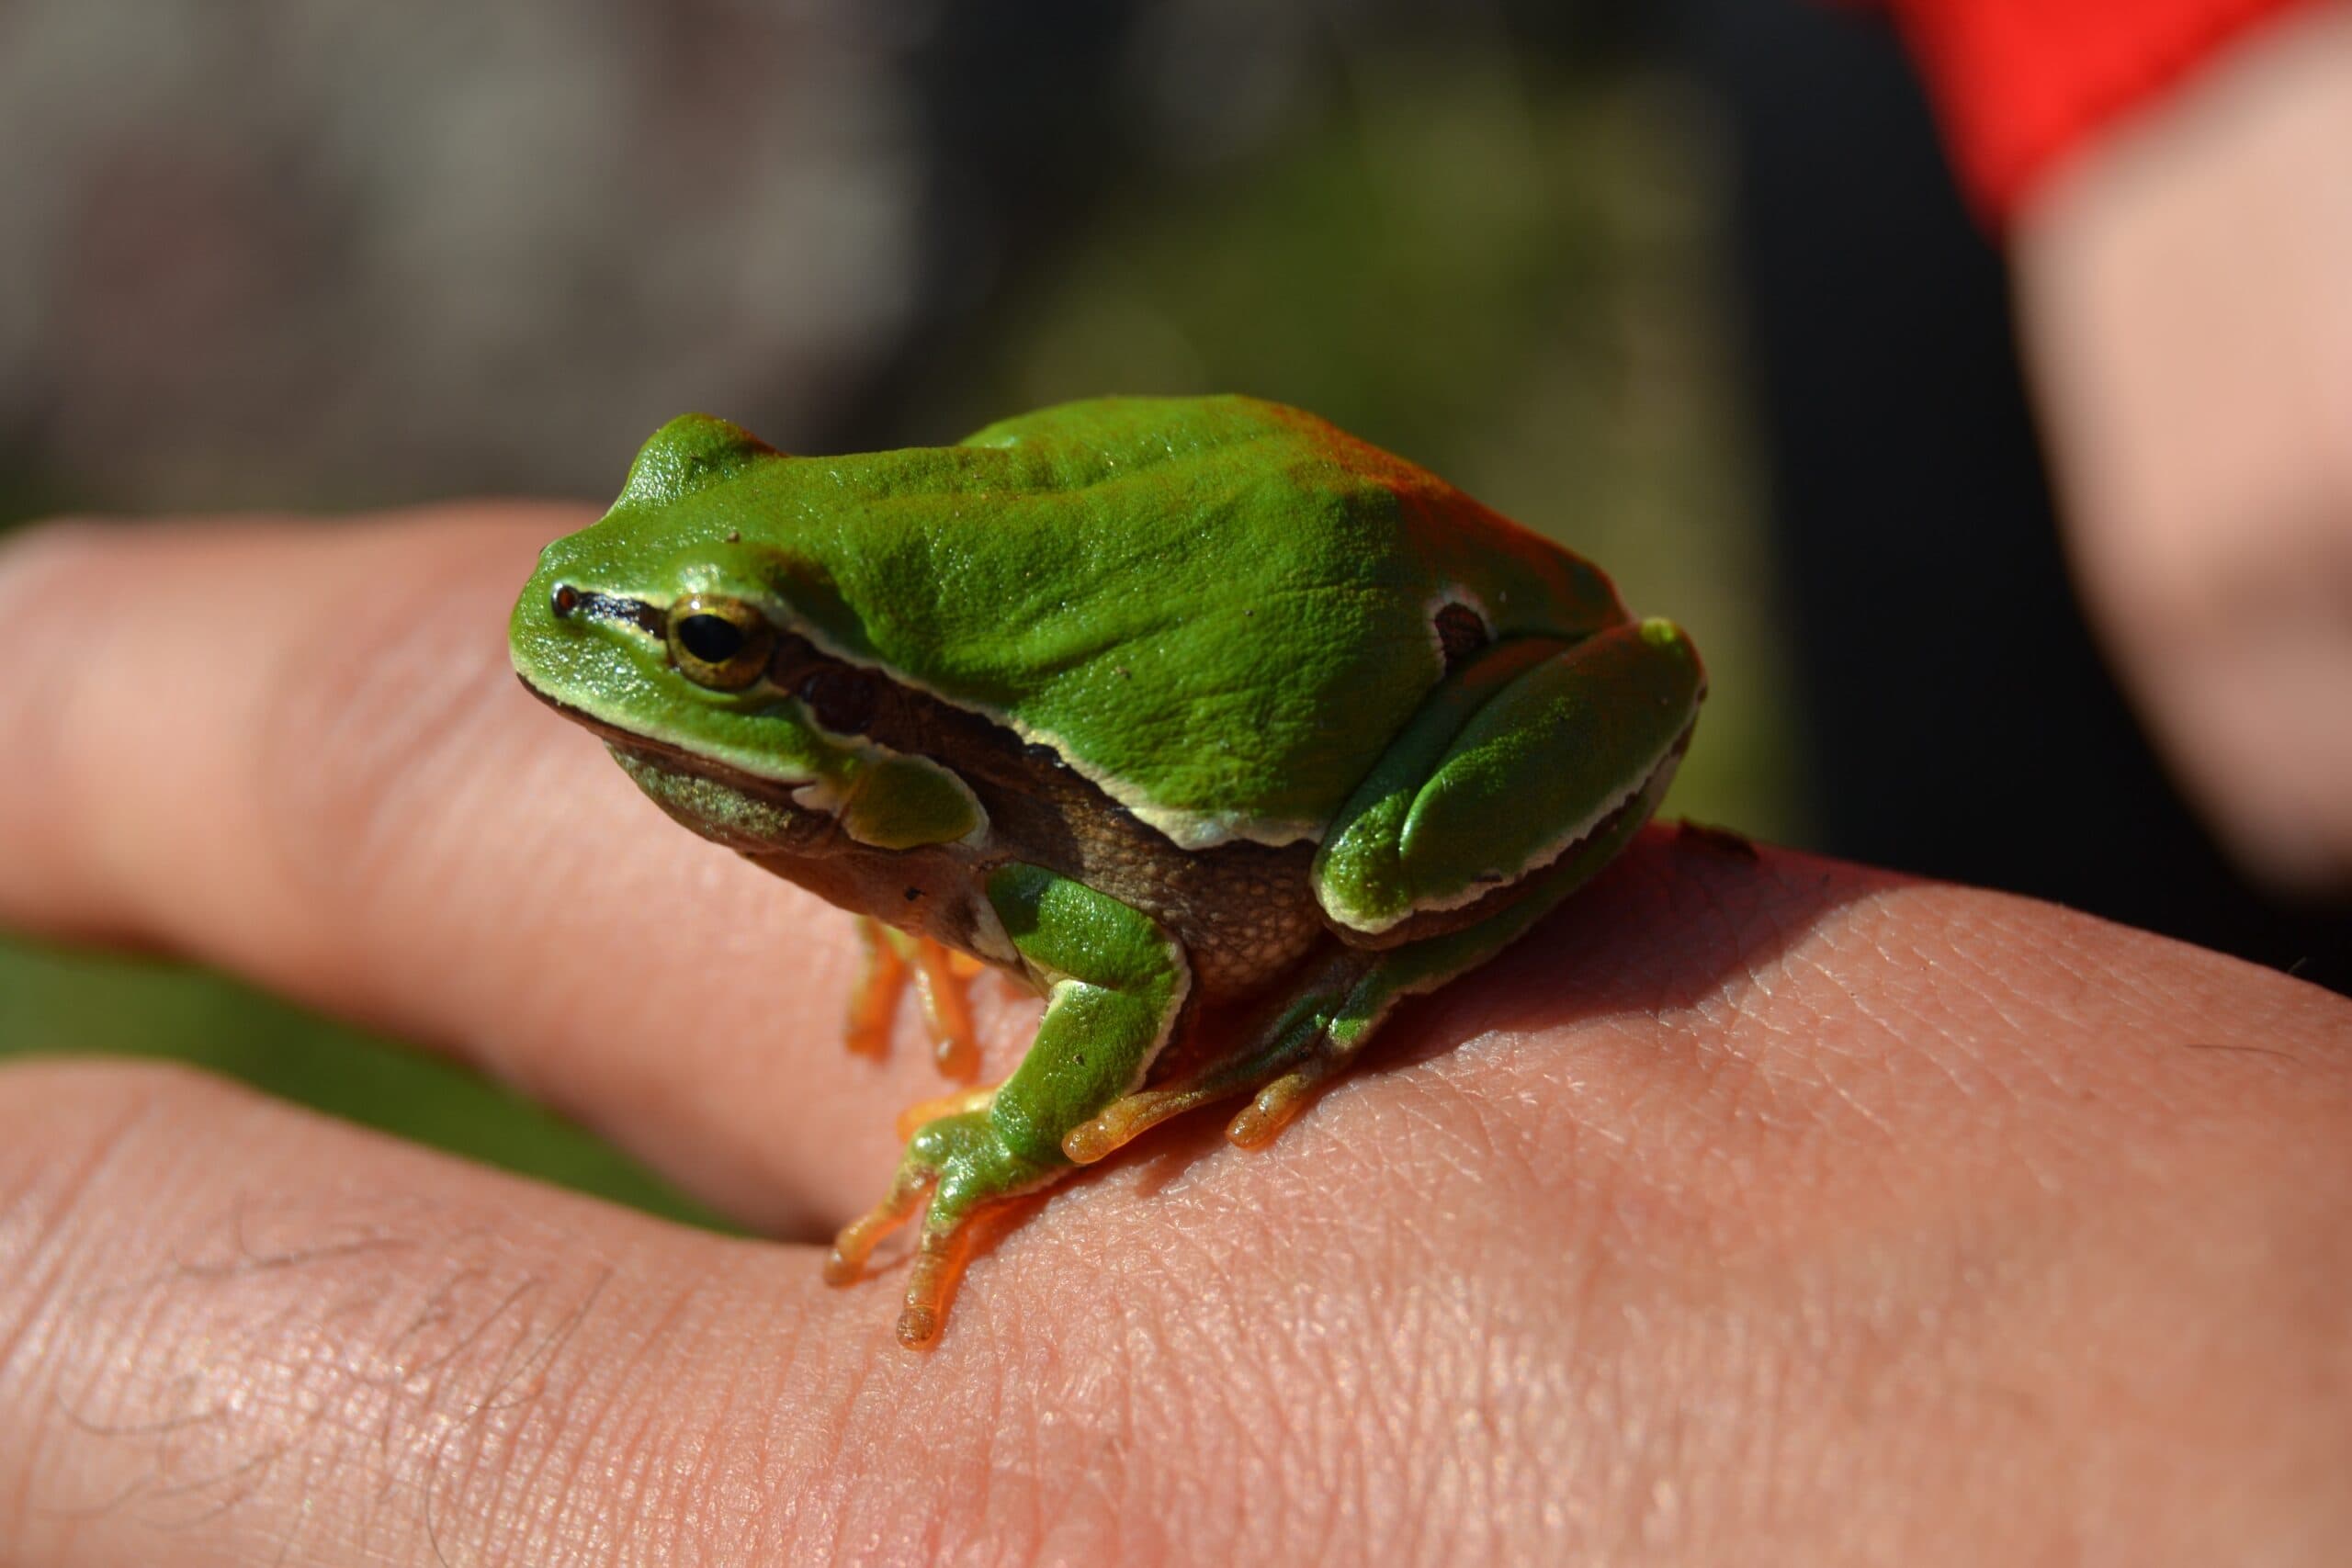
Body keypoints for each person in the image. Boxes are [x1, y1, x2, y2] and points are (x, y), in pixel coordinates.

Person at [0, 507, 2345, 1562]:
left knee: (1324, 895)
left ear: (832, 697)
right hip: (1266, 567)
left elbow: (1118, 967)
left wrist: (980, 1142)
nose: (617, 633)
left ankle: (1382, 956)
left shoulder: (982, 817)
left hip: (1367, 749)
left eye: (712, 642)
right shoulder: (901, 764)